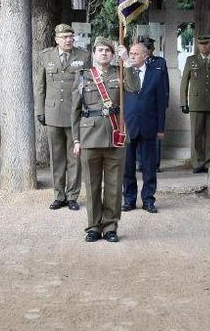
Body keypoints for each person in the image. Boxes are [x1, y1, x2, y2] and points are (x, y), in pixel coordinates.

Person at [72, 37, 139, 242]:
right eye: (100, 50)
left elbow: (135, 87)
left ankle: (110, 226)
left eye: (108, 51)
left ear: (113, 54)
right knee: (91, 185)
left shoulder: (120, 73)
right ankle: (93, 226)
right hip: (89, 137)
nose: (104, 53)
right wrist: (76, 140)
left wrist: (127, 60)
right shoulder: (83, 76)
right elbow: (74, 111)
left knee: (113, 184)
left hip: (115, 136)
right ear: (94, 53)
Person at [34, 23, 91, 211]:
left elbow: (89, 85)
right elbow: (41, 85)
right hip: (52, 112)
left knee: (74, 156)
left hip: (75, 113)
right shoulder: (46, 56)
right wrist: (40, 111)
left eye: (70, 36)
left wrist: (87, 110)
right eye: (64, 37)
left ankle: (73, 196)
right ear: (56, 39)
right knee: (57, 157)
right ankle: (59, 195)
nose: (68, 40)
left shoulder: (83, 56)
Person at [118, 42, 168, 213]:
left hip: (149, 125)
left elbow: (161, 102)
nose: (132, 56)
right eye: (130, 53)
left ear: (146, 56)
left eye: (136, 54)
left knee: (149, 166)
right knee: (127, 166)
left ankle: (148, 200)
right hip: (128, 124)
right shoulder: (122, 71)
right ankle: (129, 200)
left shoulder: (156, 73)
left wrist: (161, 128)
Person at [180, 35, 210, 174]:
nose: (204, 46)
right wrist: (183, 102)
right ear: (197, 44)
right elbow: (184, 82)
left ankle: (208, 163)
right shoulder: (191, 60)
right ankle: (197, 163)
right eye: (201, 44)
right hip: (196, 103)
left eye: (206, 43)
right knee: (196, 134)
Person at [136, 36, 169, 173]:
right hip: (139, 104)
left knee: (155, 135)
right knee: (137, 134)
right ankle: (140, 162)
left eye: (149, 48)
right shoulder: (135, 63)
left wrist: (165, 103)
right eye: (144, 48)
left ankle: (155, 163)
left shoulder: (160, 62)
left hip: (154, 105)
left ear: (153, 49)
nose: (147, 50)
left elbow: (165, 85)